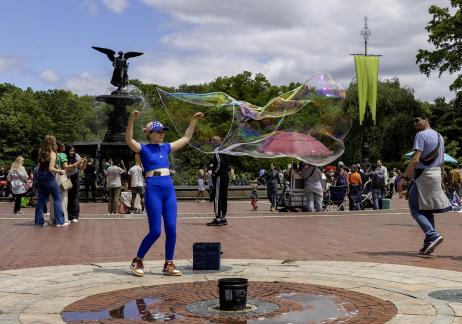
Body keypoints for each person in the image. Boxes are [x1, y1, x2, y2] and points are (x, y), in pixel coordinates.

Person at [125, 110, 204, 277]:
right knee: (155, 231)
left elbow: (186, 138)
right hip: (153, 189)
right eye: (158, 132)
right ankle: (137, 260)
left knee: (171, 228)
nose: (162, 134)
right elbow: (128, 140)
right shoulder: (144, 149)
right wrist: (131, 119)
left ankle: (169, 263)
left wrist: (193, 121)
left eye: (162, 132)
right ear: (149, 133)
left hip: (168, 189)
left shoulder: (166, 147)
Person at [398, 112, 452, 256]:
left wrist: (403, 178)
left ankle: (432, 235)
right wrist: (441, 180)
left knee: (415, 208)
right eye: (413, 122)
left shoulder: (421, 135)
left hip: (423, 175)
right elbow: (442, 162)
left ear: (426, 120)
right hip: (435, 175)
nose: (415, 124)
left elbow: (415, 159)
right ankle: (429, 242)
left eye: (417, 121)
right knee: (427, 209)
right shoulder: (440, 136)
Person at [34, 135, 67, 227]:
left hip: (40, 177)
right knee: (57, 198)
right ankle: (60, 221)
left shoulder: (41, 152)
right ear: (53, 142)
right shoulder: (52, 153)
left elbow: (41, 166)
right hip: (49, 178)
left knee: (40, 200)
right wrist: (60, 170)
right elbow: (50, 168)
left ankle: (38, 222)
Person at [207, 136, 231, 225]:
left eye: (211, 141)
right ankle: (223, 218)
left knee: (217, 197)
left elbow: (219, 162)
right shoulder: (225, 149)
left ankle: (217, 219)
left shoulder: (217, 149)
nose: (211, 143)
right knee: (224, 196)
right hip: (225, 175)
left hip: (219, 176)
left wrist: (215, 173)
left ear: (215, 141)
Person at [66, 145, 86, 223]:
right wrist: (77, 163)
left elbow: (82, 168)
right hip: (66, 177)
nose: (72, 152)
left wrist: (84, 163)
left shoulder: (76, 156)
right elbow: (66, 167)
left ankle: (75, 215)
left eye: (73, 151)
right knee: (67, 196)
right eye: (71, 151)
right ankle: (68, 215)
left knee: (75, 196)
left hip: (74, 177)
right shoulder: (64, 156)